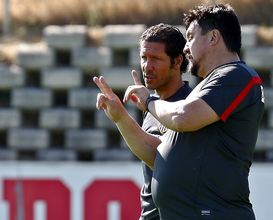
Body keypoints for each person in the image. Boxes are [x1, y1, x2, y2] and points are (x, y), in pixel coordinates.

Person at [94, 3, 265, 220]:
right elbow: (160, 155)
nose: (186, 47)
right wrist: (120, 118)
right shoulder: (209, 87)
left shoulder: (236, 75)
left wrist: (149, 101)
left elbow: (180, 117)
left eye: (191, 36)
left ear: (214, 37)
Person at [136, 23, 192, 219]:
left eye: (156, 59)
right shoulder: (151, 106)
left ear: (177, 61)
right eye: (144, 57)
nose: (147, 66)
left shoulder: (193, 107)